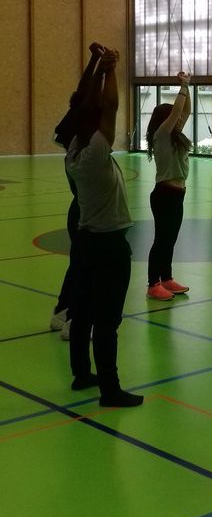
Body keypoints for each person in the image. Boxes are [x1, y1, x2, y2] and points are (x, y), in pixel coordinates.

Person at [65, 48, 143, 408]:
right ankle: (110, 390)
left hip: (85, 244)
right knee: (107, 321)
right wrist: (111, 70)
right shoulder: (97, 152)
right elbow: (109, 107)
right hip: (109, 247)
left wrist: (97, 69)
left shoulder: (73, 151)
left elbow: (86, 104)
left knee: (82, 313)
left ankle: (81, 373)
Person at [50, 42, 106, 339]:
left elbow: (83, 92)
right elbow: (88, 94)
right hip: (87, 212)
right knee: (87, 268)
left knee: (78, 264)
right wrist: (104, 70)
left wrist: (95, 62)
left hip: (78, 209)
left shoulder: (72, 134)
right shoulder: (85, 146)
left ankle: (62, 310)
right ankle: (74, 321)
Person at [146, 72, 191, 301]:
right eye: (174, 117)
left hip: (178, 194)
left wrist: (188, 87)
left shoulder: (176, 136)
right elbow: (177, 112)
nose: (179, 119)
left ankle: (166, 278)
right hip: (164, 194)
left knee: (170, 239)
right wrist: (183, 85)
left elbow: (185, 111)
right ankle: (153, 284)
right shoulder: (162, 134)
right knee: (161, 240)